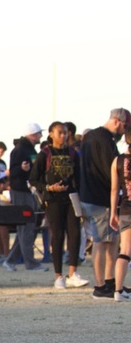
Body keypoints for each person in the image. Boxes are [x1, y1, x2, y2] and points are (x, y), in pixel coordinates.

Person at [28, 122, 88, 289]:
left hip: (71, 197)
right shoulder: (44, 154)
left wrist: (81, 199)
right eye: (60, 133)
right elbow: (33, 179)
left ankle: (73, 273)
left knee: (75, 234)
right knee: (58, 235)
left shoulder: (73, 153)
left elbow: (79, 178)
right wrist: (48, 188)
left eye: (66, 133)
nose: (63, 136)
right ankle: (58, 276)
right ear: (52, 134)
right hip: (53, 199)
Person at [81, 108, 129, 299]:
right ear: (117, 121)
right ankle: (102, 286)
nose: (124, 131)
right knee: (102, 242)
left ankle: (109, 282)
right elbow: (112, 171)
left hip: (89, 195)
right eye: (125, 126)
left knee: (110, 241)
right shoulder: (104, 140)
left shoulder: (91, 136)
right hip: (100, 197)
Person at [4, 123, 47, 272]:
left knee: (26, 227)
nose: (41, 136)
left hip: (27, 191)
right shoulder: (20, 150)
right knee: (26, 226)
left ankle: (10, 260)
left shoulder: (28, 149)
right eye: (39, 133)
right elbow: (13, 171)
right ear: (33, 134)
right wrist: (21, 169)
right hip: (21, 191)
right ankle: (30, 263)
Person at [109, 128, 131, 301]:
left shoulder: (118, 160)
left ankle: (118, 291)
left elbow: (114, 190)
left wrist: (112, 213)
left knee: (125, 250)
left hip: (125, 209)